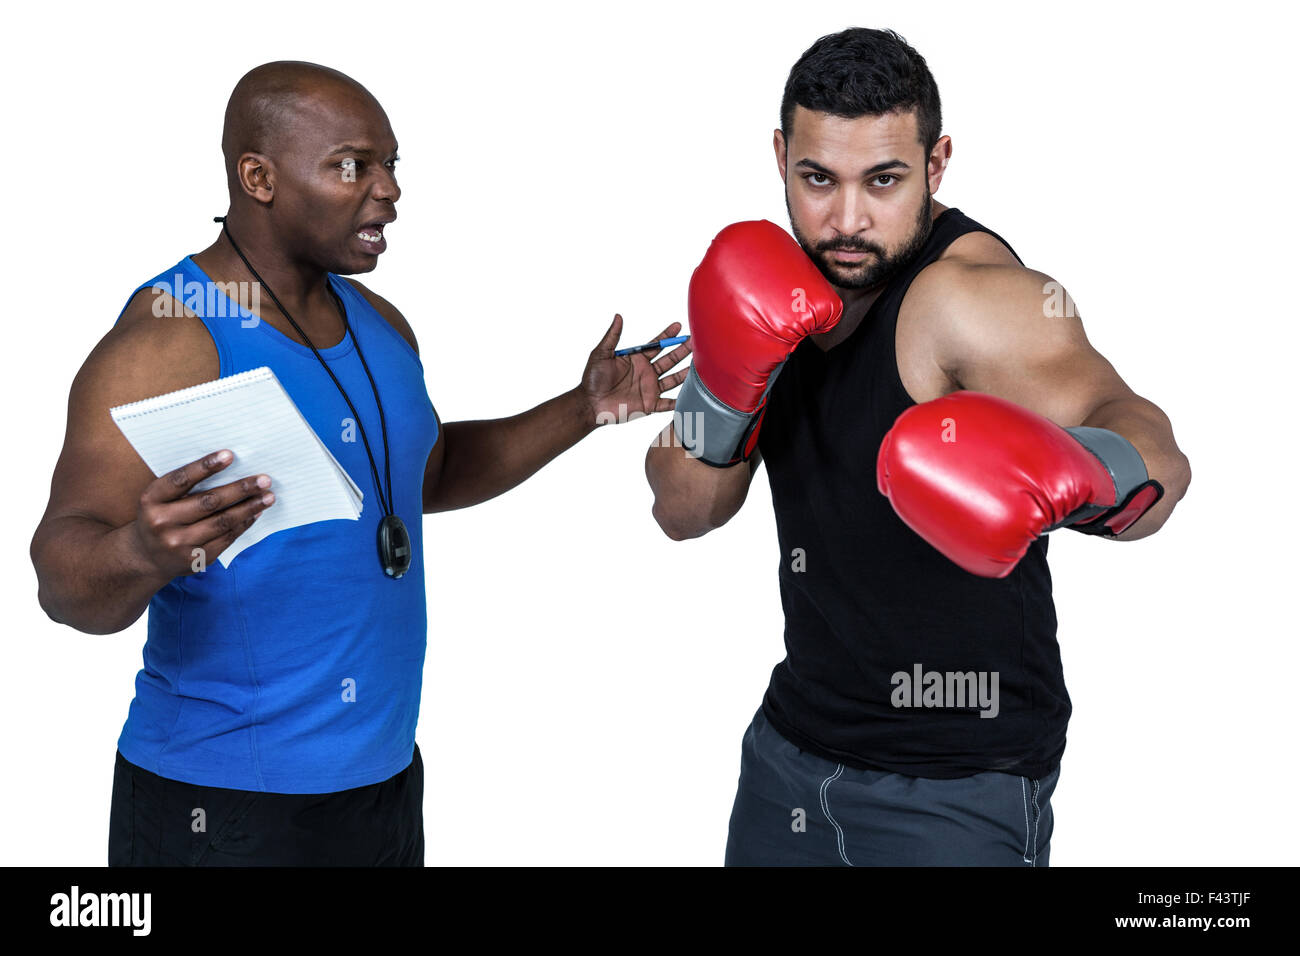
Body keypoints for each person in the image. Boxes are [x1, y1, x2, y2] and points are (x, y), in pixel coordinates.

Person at [30, 60, 689, 866]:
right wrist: (140, 551)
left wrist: (584, 409)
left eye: (390, 165)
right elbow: (62, 583)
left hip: (380, 786)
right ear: (258, 176)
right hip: (219, 806)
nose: (388, 192)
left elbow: (428, 474)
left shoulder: (379, 322)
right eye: (351, 165)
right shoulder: (170, 339)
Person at [645, 27, 1191, 866]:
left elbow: (1152, 449)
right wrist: (724, 386)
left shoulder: (969, 299)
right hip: (788, 756)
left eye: (885, 180)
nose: (848, 220)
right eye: (818, 179)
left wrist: (1080, 472)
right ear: (782, 155)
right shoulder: (768, 281)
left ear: (937, 165)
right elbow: (683, 511)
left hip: (958, 786)